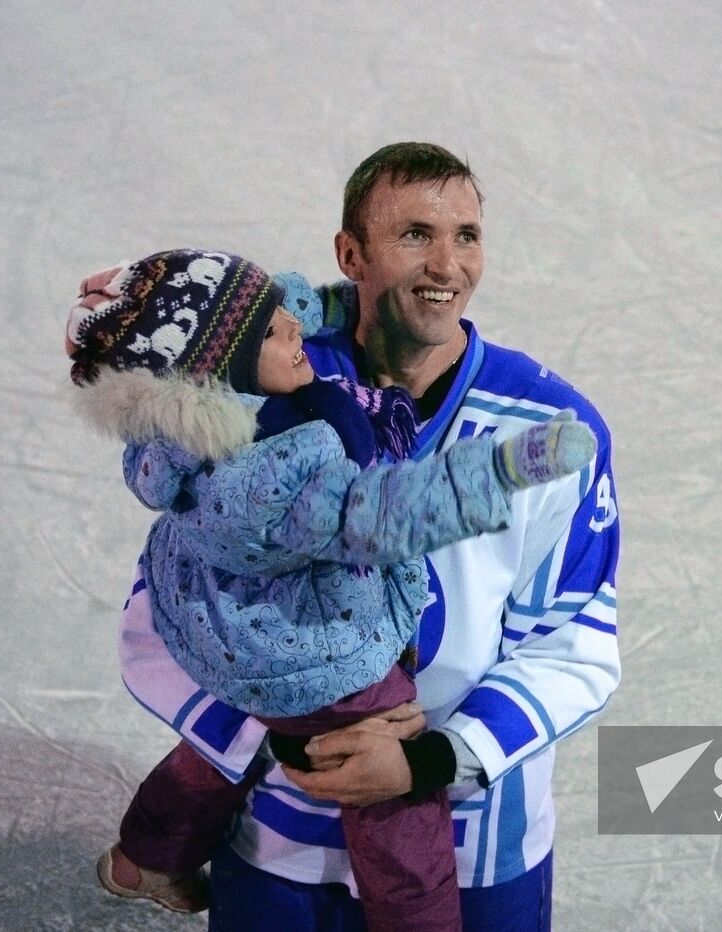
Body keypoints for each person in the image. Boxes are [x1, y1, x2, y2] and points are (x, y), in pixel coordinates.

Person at [118, 143, 622, 930]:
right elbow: (175, 600)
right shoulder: (256, 390)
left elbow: (573, 640)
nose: (447, 265)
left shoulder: (550, 429)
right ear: (350, 255)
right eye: (415, 234)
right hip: (277, 842)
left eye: (466, 236)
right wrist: (290, 733)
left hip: (469, 853)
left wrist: (428, 760)